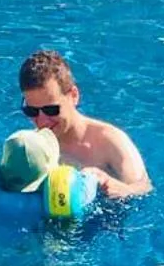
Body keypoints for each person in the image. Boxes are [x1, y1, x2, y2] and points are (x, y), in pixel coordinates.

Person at [17, 50, 151, 199]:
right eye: (31, 111)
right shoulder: (33, 147)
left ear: (74, 96)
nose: (42, 122)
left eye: (51, 109)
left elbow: (144, 188)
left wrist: (117, 187)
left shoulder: (110, 141)